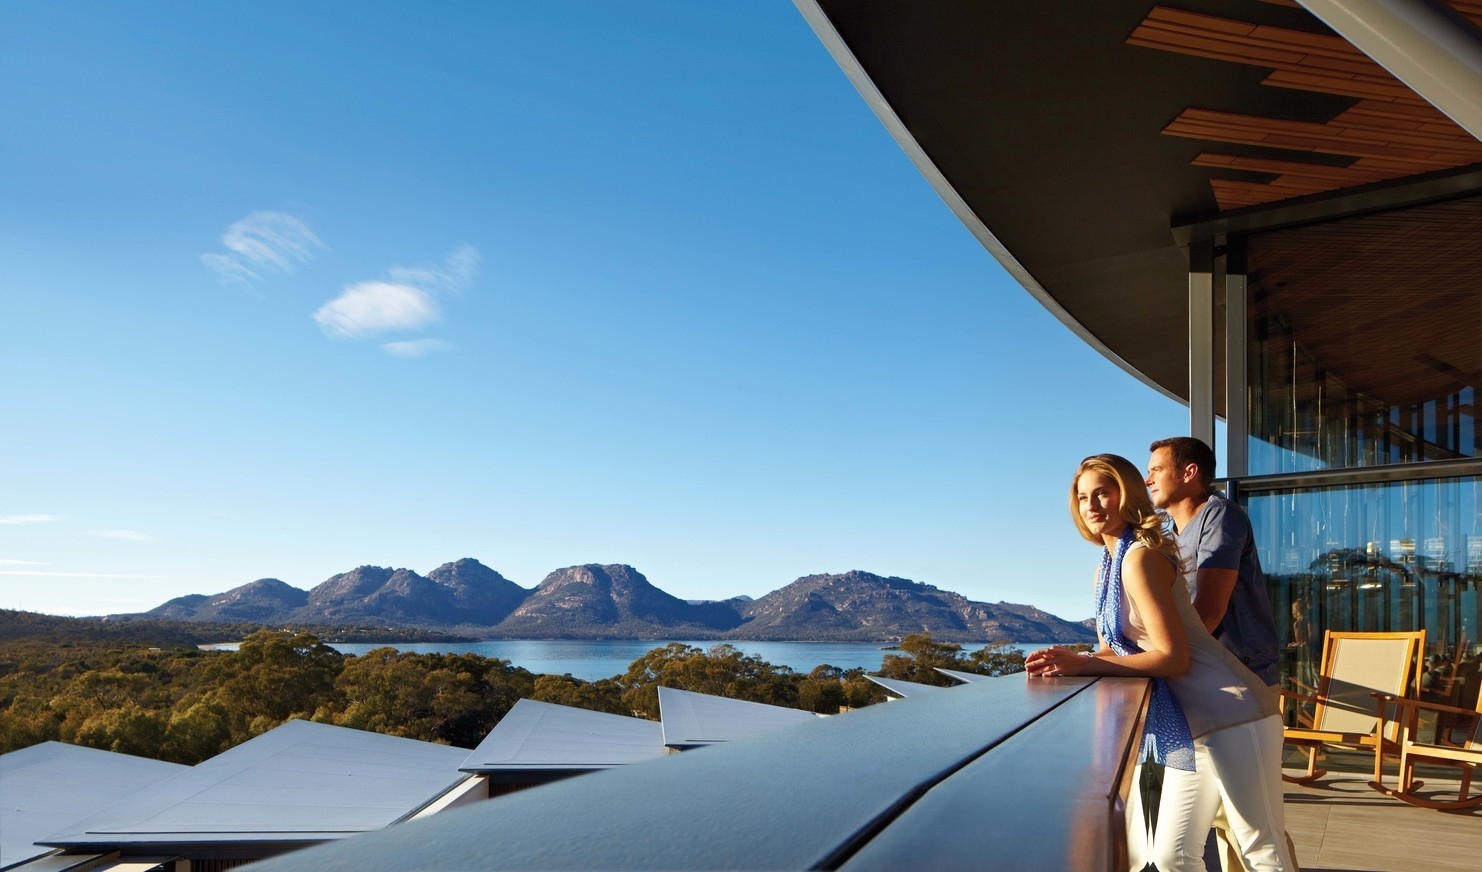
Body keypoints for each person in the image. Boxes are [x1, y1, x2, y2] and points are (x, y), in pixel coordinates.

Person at [1027, 454, 1291, 872]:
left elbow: (1172, 657)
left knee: (1262, 849)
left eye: (1103, 493)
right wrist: (1068, 661)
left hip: (1234, 714)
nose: (1091, 505)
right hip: (1190, 728)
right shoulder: (1107, 568)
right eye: (1082, 497)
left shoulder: (1141, 559)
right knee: (1170, 856)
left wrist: (1083, 665)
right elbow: (1114, 650)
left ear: (1127, 495)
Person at [1146, 436, 1280, 688]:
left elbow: (1208, 612)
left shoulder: (1219, 516)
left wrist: (1158, 657)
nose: (1148, 480)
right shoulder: (1169, 534)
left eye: (1157, 470)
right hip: (1202, 673)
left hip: (1238, 681)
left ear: (1189, 473)